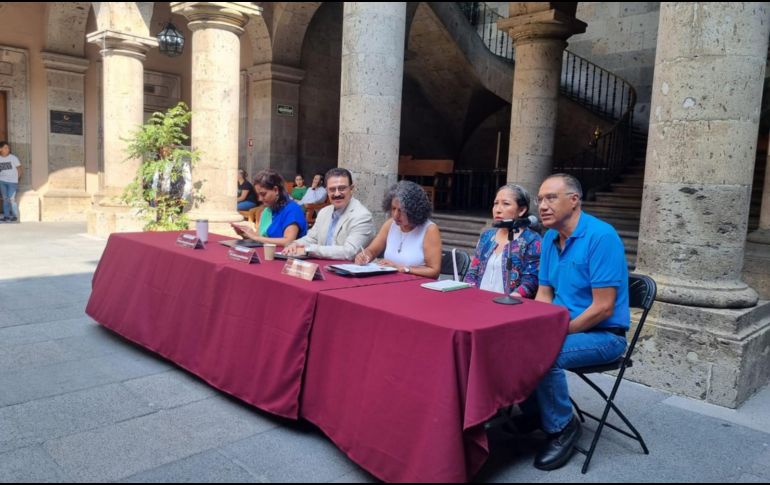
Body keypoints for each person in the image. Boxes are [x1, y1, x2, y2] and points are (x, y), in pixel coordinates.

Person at [517, 173, 629, 471]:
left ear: (574, 200)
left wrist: (554, 333)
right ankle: (535, 413)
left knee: (542, 354)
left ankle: (563, 427)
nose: (542, 205)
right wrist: (536, 326)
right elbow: (544, 292)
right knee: (512, 342)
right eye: (540, 199)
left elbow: (603, 309)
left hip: (605, 335)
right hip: (561, 327)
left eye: (551, 197)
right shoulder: (550, 237)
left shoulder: (601, 237)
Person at [464, 183, 541, 297]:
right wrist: (472, 293)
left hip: (510, 305)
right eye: (496, 203)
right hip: (478, 300)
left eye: (506, 204)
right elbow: (473, 270)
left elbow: (531, 280)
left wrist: (511, 298)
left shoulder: (532, 240)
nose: (498, 209)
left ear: (522, 210)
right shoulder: (487, 236)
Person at [354, 180, 441, 278]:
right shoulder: (390, 224)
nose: (395, 215)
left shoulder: (430, 230)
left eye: (401, 210)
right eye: (393, 208)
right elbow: (372, 250)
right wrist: (364, 256)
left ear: (414, 210)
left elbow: (434, 271)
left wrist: (403, 269)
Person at [283, 168, 375, 260]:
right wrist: (295, 244)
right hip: (320, 266)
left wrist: (309, 250)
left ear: (351, 189)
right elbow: (312, 238)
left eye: (342, 188)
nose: (337, 193)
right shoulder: (324, 212)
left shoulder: (362, 215)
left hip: (346, 270)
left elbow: (349, 252)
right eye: (332, 189)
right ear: (327, 191)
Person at [232, 169, 307, 246]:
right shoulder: (267, 210)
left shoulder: (292, 209)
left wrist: (256, 238)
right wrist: (245, 234)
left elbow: (288, 241)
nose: (260, 199)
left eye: (263, 194)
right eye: (258, 195)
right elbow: (260, 237)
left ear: (276, 190)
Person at [0, 141, 22, 223]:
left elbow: (19, 169)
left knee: (12, 199)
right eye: (5, 148)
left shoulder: (13, 158)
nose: (7, 149)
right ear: (0, 149)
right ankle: (6, 216)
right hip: (2, 181)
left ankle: (15, 216)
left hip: (12, 182)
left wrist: (17, 179)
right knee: (5, 199)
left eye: (8, 148)